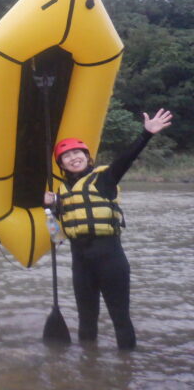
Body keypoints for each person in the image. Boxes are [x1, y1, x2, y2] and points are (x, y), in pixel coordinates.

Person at [44, 108, 173, 350]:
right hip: (80, 263)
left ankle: (126, 371)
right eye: (67, 156)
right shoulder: (59, 194)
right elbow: (56, 228)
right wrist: (49, 206)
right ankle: (88, 370)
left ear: (87, 157)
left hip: (110, 259)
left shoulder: (105, 179)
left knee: (120, 319)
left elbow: (127, 159)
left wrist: (146, 134)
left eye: (78, 153)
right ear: (61, 164)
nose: (74, 158)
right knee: (86, 319)